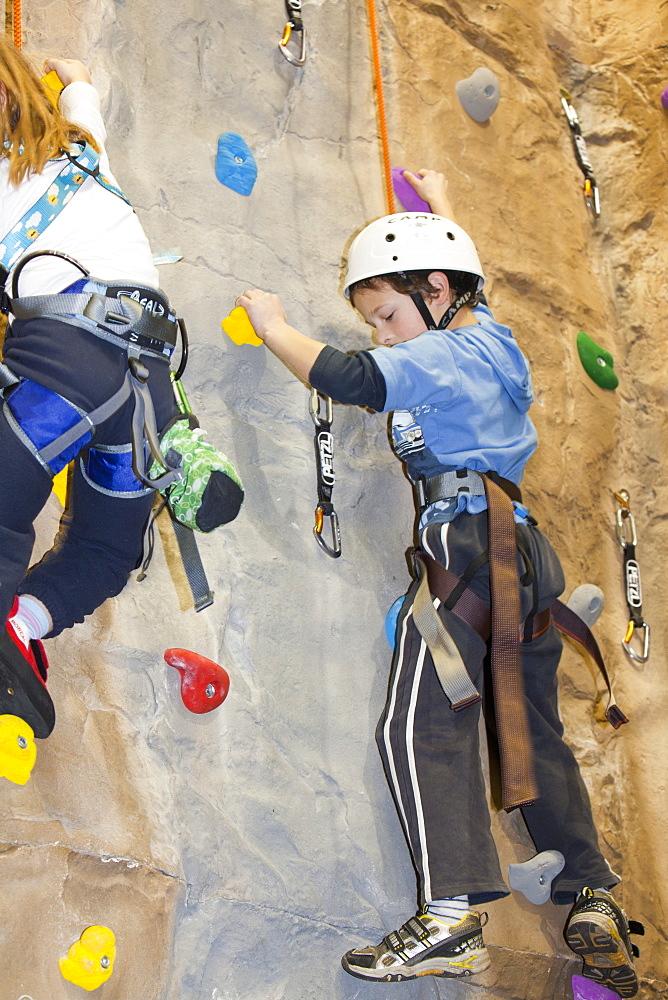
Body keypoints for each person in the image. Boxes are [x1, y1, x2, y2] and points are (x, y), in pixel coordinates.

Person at [236, 169, 642, 998]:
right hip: (519, 553)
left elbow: (351, 381)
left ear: (436, 293)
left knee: (419, 725)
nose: (385, 337)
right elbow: (459, 291)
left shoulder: (448, 349)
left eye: (387, 316)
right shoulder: (481, 333)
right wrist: (444, 206)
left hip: (469, 544)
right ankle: (591, 891)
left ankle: (451, 915)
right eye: (375, 324)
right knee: (527, 729)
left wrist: (271, 325)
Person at [0, 40, 242, 751]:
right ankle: (22, 627)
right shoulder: (82, 150)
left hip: (63, 368)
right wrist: (64, 77)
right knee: (108, 551)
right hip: (146, 384)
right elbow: (78, 84)